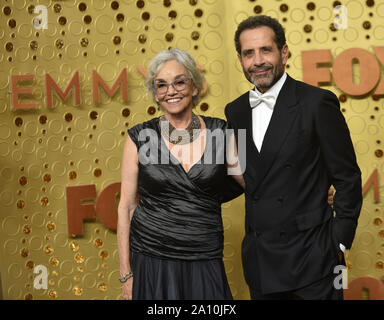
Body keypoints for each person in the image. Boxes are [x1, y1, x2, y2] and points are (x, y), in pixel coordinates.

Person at [225, 15, 362, 300]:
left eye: (266, 50)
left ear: (284, 52)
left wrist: (338, 243)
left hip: (314, 260)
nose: (257, 61)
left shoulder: (316, 103)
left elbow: (347, 177)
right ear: (239, 59)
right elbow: (243, 178)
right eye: (248, 53)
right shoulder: (235, 111)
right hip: (261, 262)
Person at [117, 48, 244, 300]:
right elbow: (127, 207)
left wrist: (311, 192)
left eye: (179, 81)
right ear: (154, 93)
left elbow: (257, 183)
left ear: (195, 86)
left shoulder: (223, 131)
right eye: (161, 85)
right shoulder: (139, 137)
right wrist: (127, 275)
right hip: (151, 259)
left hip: (204, 255)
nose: (171, 91)